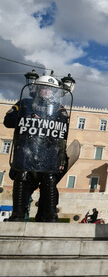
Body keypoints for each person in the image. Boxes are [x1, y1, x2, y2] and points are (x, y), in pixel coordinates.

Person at [4, 74, 72, 222]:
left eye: (50, 89)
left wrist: (61, 158)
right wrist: (27, 118)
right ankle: (18, 215)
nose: (46, 91)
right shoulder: (24, 104)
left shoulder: (59, 109)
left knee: (49, 179)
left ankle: (50, 214)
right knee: (21, 177)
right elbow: (8, 120)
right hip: (26, 149)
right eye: (44, 88)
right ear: (37, 89)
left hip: (47, 152)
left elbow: (63, 132)